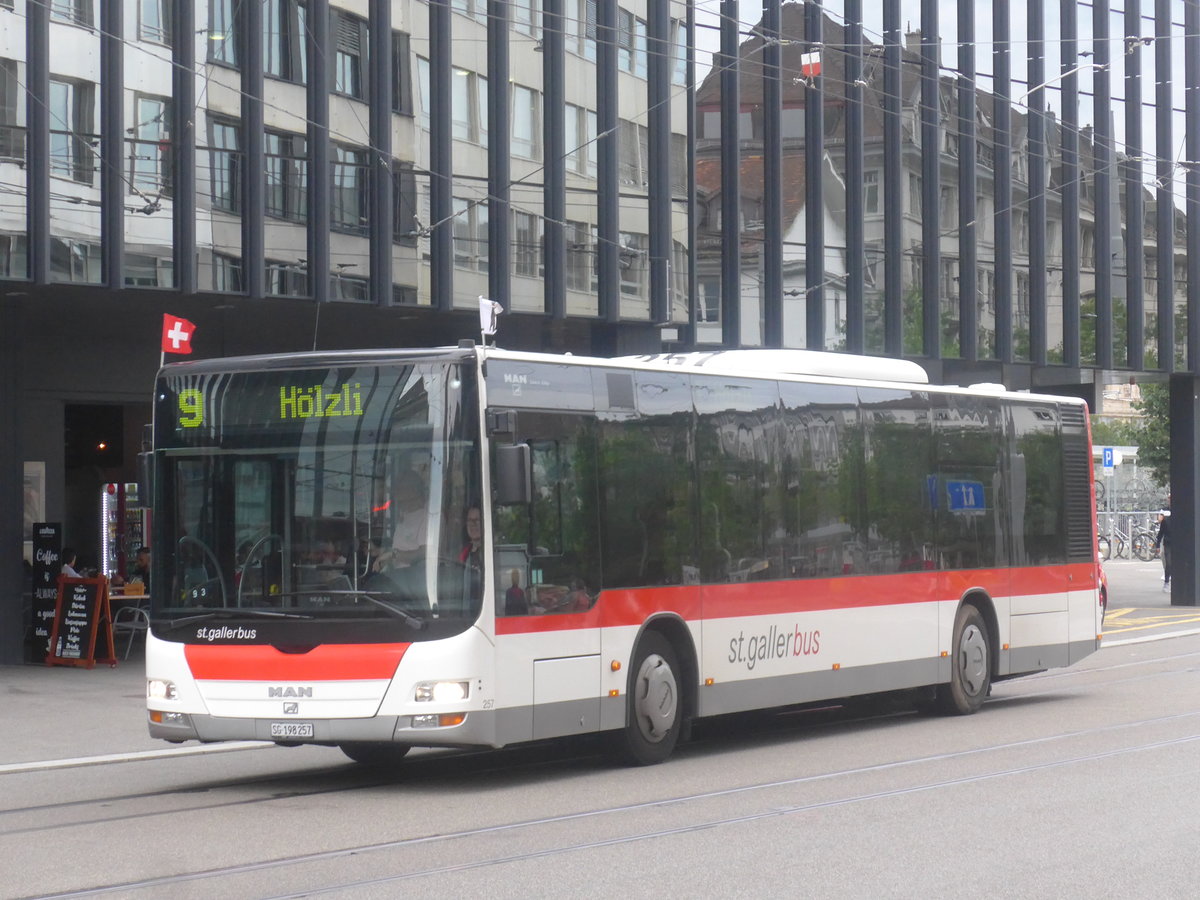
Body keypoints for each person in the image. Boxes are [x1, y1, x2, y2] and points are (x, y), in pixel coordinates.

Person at [374, 469, 428, 571]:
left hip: (414, 578)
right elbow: (403, 548)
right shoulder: (405, 514)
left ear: (413, 491)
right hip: (396, 575)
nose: (396, 495)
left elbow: (423, 553)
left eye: (400, 490)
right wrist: (380, 552)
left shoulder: (427, 517)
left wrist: (393, 555)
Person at [1155, 495, 1172, 592]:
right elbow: (1161, 531)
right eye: (1169, 498)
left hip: (1178, 542)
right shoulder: (1164, 512)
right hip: (1168, 542)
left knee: (1177, 563)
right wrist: (1157, 545)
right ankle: (1166, 583)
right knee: (1168, 563)